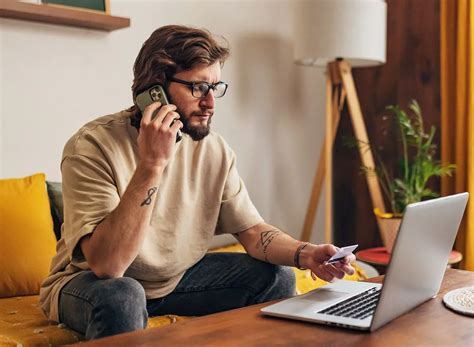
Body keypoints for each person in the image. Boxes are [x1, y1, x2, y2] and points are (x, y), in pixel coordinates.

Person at [39, 25, 356, 340]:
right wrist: (152, 164)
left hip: (176, 280)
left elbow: (255, 234)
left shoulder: (214, 149)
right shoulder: (92, 146)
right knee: (123, 296)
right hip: (89, 283)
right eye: (197, 88)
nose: (210, 103)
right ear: (155, 89)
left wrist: (306, 253)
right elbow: (108, 266)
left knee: (277, 277)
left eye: (214, 87)